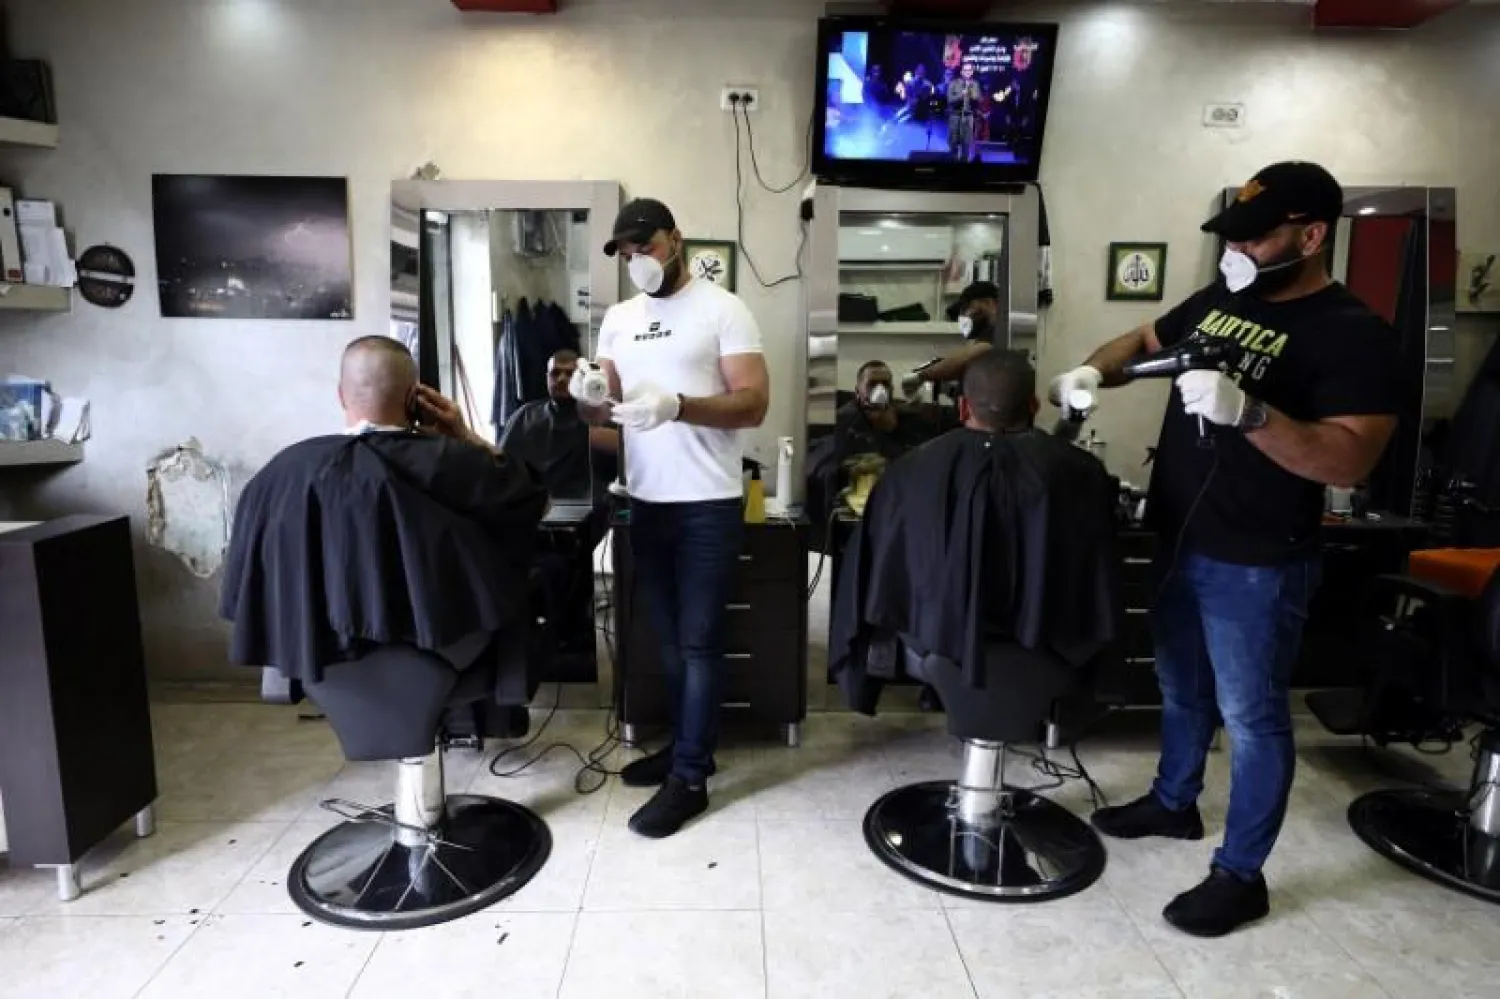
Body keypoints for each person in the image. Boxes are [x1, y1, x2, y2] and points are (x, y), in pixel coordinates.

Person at [1052, 161, 1402, 937]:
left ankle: (1241, 875)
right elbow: (1144, 338)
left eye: (1256, 235)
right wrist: (1092, 371)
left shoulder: (1354, 334)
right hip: (1180, 530)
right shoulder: (1223, 298)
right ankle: (1175, 801)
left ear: (1311, 236)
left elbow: (1350, 459)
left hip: (1259, 558)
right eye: (1233, 234)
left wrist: (1252, 413)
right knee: (1181, 686)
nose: (1237, 248)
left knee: (1251, 717)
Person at [221, 335, 550, 736]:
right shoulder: (452, 460)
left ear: (342, 396)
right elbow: (536, 502)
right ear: (415, 398)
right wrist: (465, 437)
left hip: (317, 648)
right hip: (444, 646)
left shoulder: (280, 473)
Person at [585, 197, 770, 838]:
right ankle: (688, 747)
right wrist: (583, 400)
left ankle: (690, 778)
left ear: (676, 239)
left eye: (648, 245)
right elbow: (603, 416)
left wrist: (679, 406)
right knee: (665, 638)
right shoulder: (618, 319)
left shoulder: (724, 309)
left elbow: (753, 405)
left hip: (706, 505)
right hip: (643, 501)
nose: (639, 259)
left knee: (699, 643)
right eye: (628, 253)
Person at [830, 348, 1118, 715]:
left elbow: (868, 581)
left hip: (933, 645)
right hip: (1047, 648)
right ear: (1033, 407)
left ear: (964, 409)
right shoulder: (1084, 473)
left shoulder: (908, 471)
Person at [500, 347, 620, 505]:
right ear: (547, 378)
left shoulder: (599, 417)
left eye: (570, 374)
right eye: (555, 373)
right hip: (535, 506)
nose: (562, 379)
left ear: (581, 379)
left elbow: (626, 451)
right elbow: (502, 463)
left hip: (587, 507)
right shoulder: (525, 415)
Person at [834, 360, 953, 464]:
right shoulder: (846, 420)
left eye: (885, 384)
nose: (880, 389)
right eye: (872, 384)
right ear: (857, 391)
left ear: (891, 389)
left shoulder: (904, 413)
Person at [903, 279, 1002, 392]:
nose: (965, 315)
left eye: (967, 308)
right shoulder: (988, 333)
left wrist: (921, 376)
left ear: (987, 302)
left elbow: (969, 357)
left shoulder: (1000, 329)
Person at [946, 62, 983, 161]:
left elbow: (979, 99)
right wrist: (961, 95)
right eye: (965, 70)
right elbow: (950, 100)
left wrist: (971, 94)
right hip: (955, 116)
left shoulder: (975, 84)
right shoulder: (953, 83)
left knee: (966, 145)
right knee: (953, 143)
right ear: (961, 72)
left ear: (972, 72)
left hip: (968, 117)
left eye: (969, 70)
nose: (967, 72)